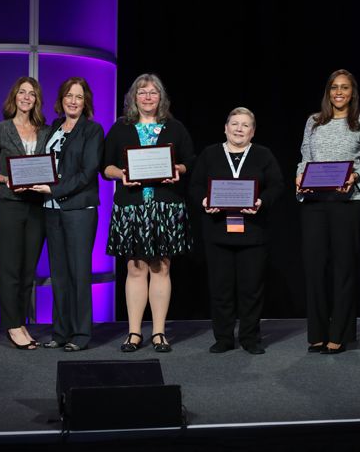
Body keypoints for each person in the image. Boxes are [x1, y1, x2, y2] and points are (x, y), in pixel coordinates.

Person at [103, 73, 193, 353]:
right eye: (142, 92)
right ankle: (133, 333)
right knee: (135, 268)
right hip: (131, 206)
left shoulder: (175, 127)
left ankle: (158, 333)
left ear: (161, 97)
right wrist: (122, 175)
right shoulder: (121, 128)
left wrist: (177, 169)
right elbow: (105, 167)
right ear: (133, 97)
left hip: (165, 206)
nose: (148, 97)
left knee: (161, 267)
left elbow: (189, 161)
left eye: (153, 92)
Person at [296, 69, 360, 354]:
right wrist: (299, 176)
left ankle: (340, 334)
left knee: (344, 268)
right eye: (334, 87)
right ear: (328, 92)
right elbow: (305, 157)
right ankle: (317, 333)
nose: (339, 92)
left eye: (345, 87)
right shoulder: (313, 121)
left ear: (352, 92)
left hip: (348, 202)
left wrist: (355, 176)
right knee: (314, 268)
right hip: (315, 202)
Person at [190, 107, 283, 354]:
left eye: (245, 125)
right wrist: (204, 201)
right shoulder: (210, 154)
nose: (239, 129)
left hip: (253, 232)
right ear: (225, 128)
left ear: (252, 131)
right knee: (220, 289)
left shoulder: (263, 154)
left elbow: (276, 185)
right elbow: (196, 185)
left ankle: (250, 338)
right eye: (234, 124)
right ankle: (223, 338)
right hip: (217, 231)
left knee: (251, 289)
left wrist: (262, 201)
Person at [28, 77, 104, 352]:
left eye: (79, 97)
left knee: (79, 274)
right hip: (51, 210)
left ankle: (81, 334)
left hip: (79, 210)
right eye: (69, 96)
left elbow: (88, 172)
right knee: (58, 275)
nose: (73, 101)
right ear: (61, 100)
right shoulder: (53, 129)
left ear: (86, 102)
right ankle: (60, 332)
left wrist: (54, 189)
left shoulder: (93, 130)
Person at [0, 77, 50, 350]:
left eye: (31, 94)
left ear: (36, 100)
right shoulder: (0, 130)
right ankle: (12, 325)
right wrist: (5, 179)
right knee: (10, 269)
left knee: (28, 270)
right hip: (8, 206)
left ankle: (21, 322)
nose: (26, 97)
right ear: (14, 96)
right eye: (22, 92)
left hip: (36, 207)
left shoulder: (45, 131)